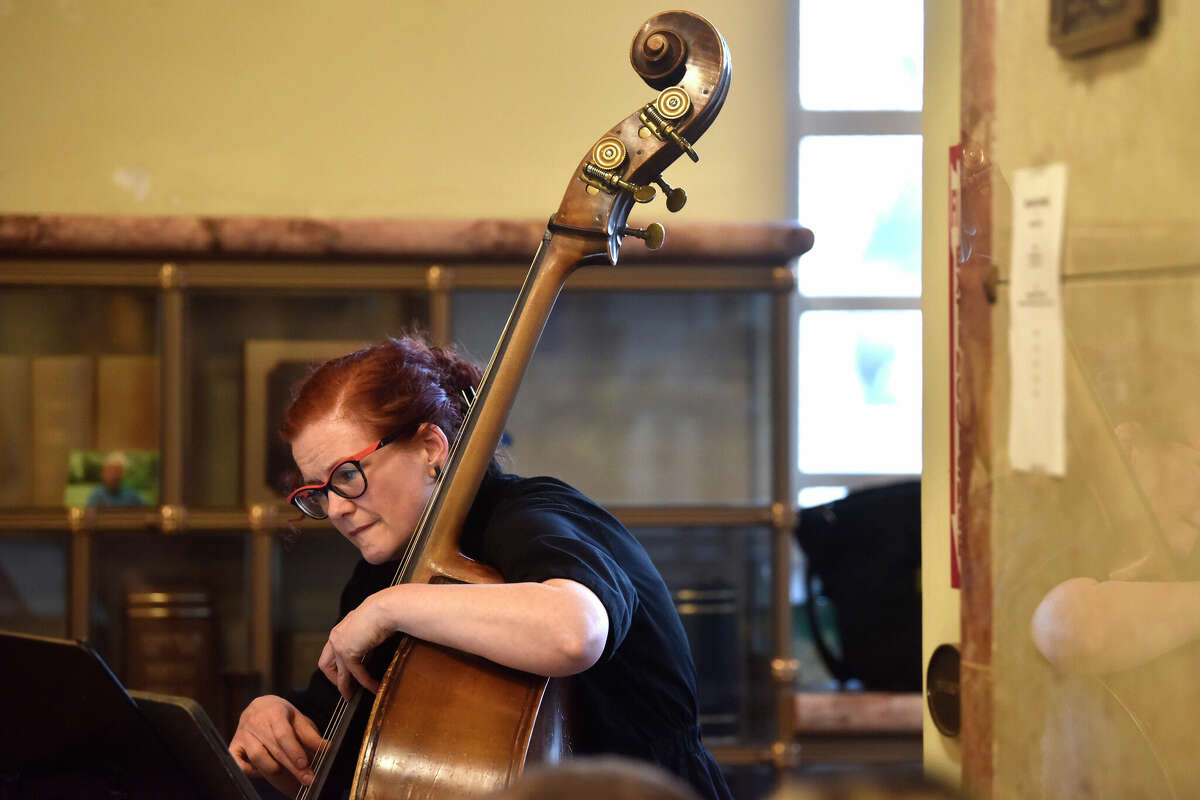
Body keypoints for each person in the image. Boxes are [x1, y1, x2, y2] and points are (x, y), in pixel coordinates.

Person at [228, 336, 732, 800]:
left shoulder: (530, 515)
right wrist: (274, 721)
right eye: (317, 490)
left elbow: (575, 631)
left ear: (430, 448)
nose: (335, 508)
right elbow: (348, 753)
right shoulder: (383, 570)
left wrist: (391, 606)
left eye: (347, 475)